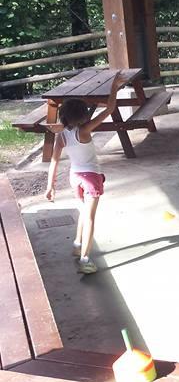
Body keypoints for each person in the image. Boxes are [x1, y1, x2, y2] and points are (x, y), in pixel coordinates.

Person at [44, 73, 125, 274]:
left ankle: (77, 245)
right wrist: (114, 85)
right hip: (91, 178)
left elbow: (54, 161)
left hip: (75, 177)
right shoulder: (86, 130)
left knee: (82, 211)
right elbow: (110, 108)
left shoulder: (61, 135)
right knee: (90, 218)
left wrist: (50, 186)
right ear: (84, 117)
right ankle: (86, 260)